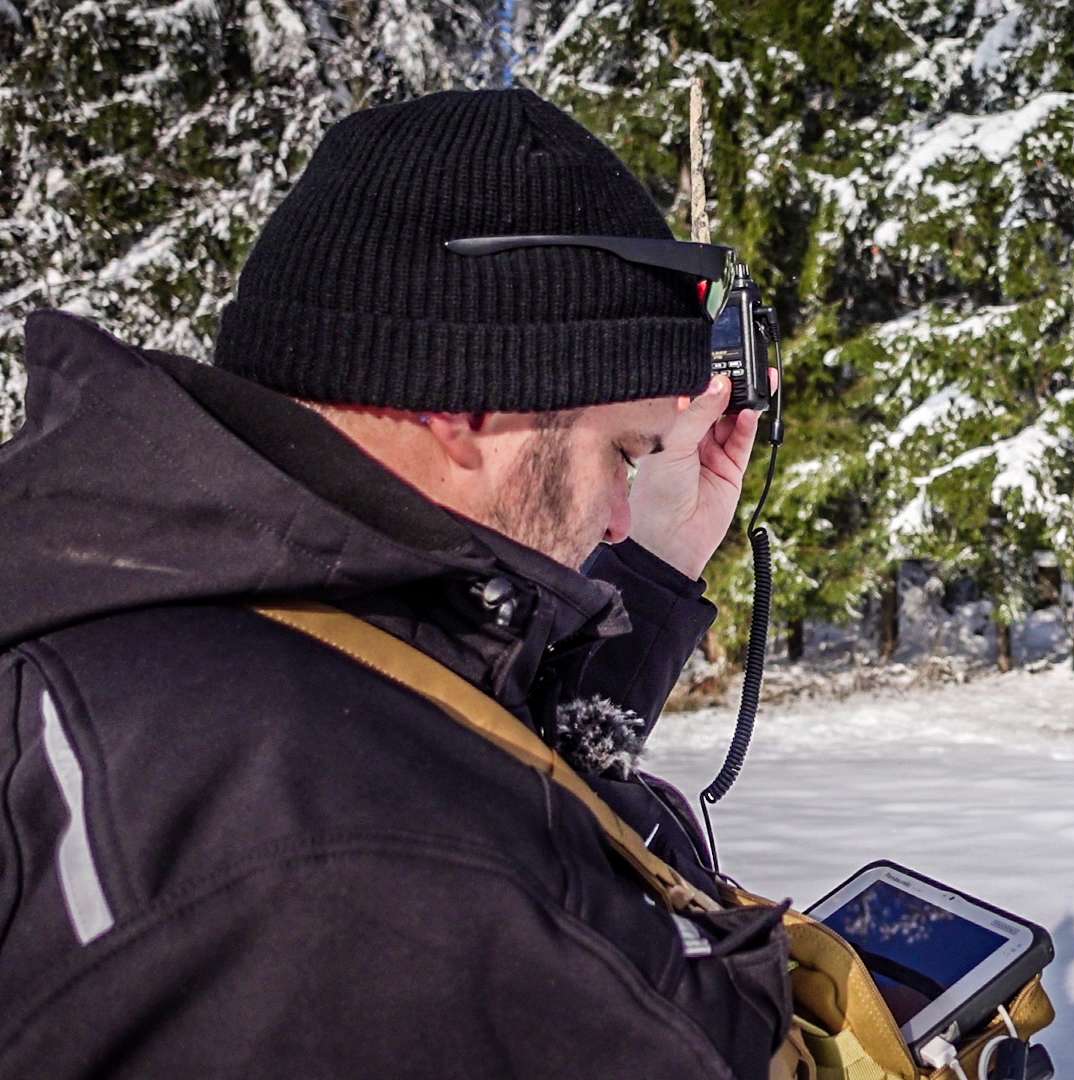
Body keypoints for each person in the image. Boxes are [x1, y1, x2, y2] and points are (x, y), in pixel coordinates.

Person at [0, 88, 790, 1078]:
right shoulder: (356, 852)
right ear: (468, 406)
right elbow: (531, 909)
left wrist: (652, 572)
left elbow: (452, 742)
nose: (619, 518)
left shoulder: (168, 606)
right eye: (623, 454)